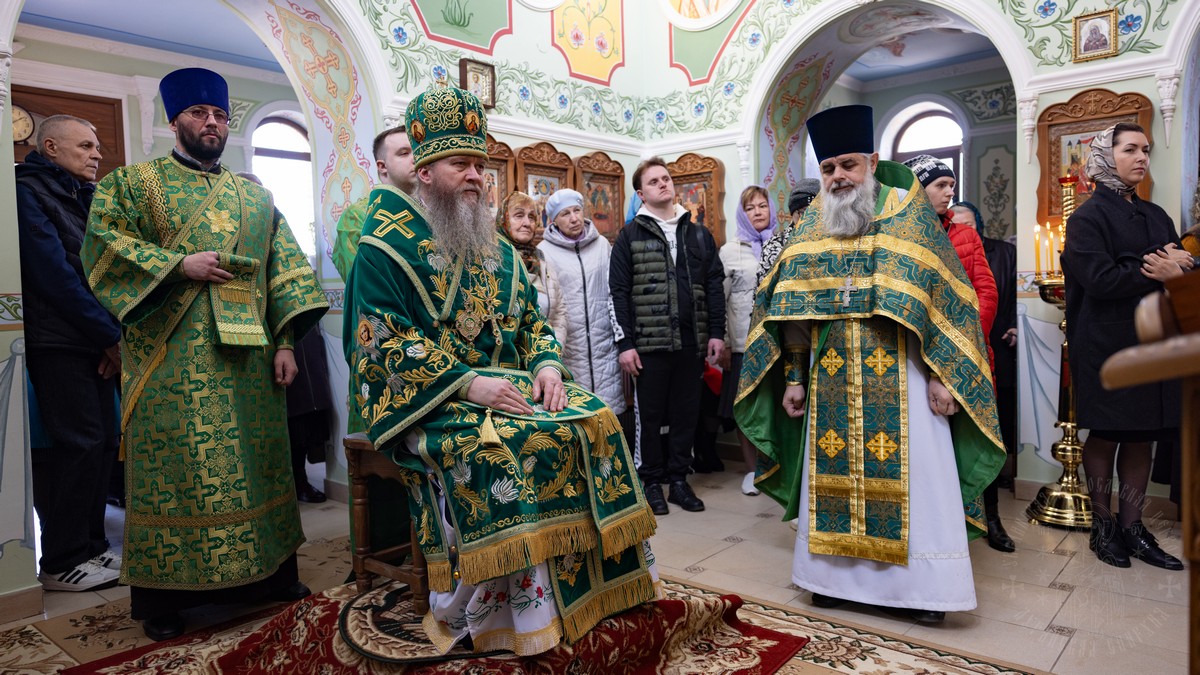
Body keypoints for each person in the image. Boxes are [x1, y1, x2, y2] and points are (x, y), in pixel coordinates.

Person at [343, 84, 658, 656]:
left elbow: (532, 324)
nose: (475, 175)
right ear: (425, 171)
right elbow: (380, 344)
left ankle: (599, 590)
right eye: (460, 164)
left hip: (508, 388)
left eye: (479, 164)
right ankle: (507, 614)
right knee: (505, 449)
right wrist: (469, 384)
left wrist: (548, 366)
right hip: (433, 401)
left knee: (595, 420)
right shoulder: (383, 248)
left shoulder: (498, 249)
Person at [82, 67, 329, 641]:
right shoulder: (133, 184)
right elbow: (104, 248)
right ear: (175, 122)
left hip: (250, 362)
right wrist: (178, 265)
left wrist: (286, 343)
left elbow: (286, 269)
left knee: (259, 466)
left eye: (219, 114)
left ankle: (271, 576)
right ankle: (166, 599)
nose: (211, 122)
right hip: (169, 360)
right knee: (179, 474)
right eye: (199, 113)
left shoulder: (255, 196)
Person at [736, 104, 1005, 625]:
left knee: (919, 484)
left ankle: (925, 593)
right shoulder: (811, 225)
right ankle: (831, 581)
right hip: (830, 379)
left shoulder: (912, 218)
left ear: (873, 163)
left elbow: (946, 305)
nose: (838, 177)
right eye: (829, 167)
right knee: (830, 481)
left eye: (849, 165)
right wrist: (793, 378)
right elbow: (792, 312)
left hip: (907, 378)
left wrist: (944, 377)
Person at [1061, 122, 1190, 571]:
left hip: (1154, 339)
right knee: (1107, 432)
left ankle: (1133, 529)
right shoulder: (1086, 218)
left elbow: (1182, 265)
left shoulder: (1156, 215)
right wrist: (1155, 267)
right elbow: (1101, 279)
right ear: (1104, 156)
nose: (1142, 158)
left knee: (1142, 433)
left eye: (1146, 150)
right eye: (1130, 149)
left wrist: (1175, 267)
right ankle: (1103, 527)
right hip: (1105, 344)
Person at [16, 114, 122, 592]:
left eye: (97, 146)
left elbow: (104, 272)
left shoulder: (86, 197)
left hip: (93, 339)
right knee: (78, 444)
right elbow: (54, 276)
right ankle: (61, 560)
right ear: (51, 148)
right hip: (58, 340)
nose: (96, 154)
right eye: (85, 146)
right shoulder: (27, 192)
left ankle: (92, 548)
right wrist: (108, 336)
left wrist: (110, 336)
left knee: (102, 444)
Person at [902, 155, 1007, 551]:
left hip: (968, 354)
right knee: (928, 446)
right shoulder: (900, 234)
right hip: (916, 358)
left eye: (951, 184)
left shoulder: (965, 236)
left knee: (975, 433)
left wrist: (961, 343)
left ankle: (991, 519)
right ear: (918, 189)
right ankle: (933, 527)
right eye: (940, 185)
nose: (950, 192)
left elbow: (986, 292)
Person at [610, 157, 726, 516]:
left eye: (666, 178)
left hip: (691, 342)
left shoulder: (698, 233)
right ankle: (650, 482)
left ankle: (678, 482)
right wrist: (625, 344)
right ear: (641, 193)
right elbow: (618, 293)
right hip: (649, 344)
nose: (663, 184)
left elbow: (714, 285)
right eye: (654, 181)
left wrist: (717, 333)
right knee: (650, 417)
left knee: (686, 414)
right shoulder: (629, 236)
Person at [953, 201, 1019, 520]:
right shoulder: (942, 244)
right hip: (952, 348)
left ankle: (992, 512)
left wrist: (1015, 324)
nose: (963, 228)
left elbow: (1006, 293)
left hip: (995, 343)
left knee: (995, 420)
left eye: (969, 223)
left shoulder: (1003, 252)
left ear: (978, 223)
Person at [538, 188, 624, 413]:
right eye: (565, 214)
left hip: (605, 347)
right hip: (569, 348)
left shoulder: (602, 245)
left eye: (576, 210)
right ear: (554, 220)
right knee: (578, 415)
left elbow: (614, 291)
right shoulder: (543, 252)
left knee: (610, 415)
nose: (574, 218)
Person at [720, 185, 778, 495]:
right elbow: (720, 300)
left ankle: (778, 469)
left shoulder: (783, 243)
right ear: (742, 214)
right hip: (743, 342)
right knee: (747, 408)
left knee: (776, 407)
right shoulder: (731, 251)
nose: (757, 212)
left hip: (777, 341)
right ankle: (752, 470)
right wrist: (725, 342)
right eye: (750, 208)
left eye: (762, 206)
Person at [332, 125, 418, 281]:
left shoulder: (435, 210)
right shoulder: (357, 216)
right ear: (382, 166)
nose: (416, 158)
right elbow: (362, 282)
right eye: (404, 153)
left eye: (419, 151)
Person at [496, 191, 567, 350]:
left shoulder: (541, 260)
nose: (527, 223)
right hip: (508, 356)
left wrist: (555, 349)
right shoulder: (492, 260)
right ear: (504, 219)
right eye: (519, 215)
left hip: (546, 355)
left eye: (532, 217)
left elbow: (559, 313)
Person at [758, 178, 820, 285]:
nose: (811, 219)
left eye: (817, 212)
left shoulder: (834, 242)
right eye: (804, 212)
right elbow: (762, 289)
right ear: (793, 213)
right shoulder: (774, 246)